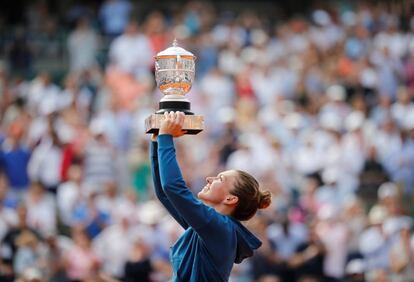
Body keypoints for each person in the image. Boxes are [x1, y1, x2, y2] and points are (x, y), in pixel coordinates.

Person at [150, 111, 272, 281]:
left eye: (220, 178)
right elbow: (165, 194)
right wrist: (157, 143)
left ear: (230, 199)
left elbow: (172, 188)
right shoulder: (210, 225)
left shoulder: (220, 227)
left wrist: (165, 137)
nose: (209, 178)